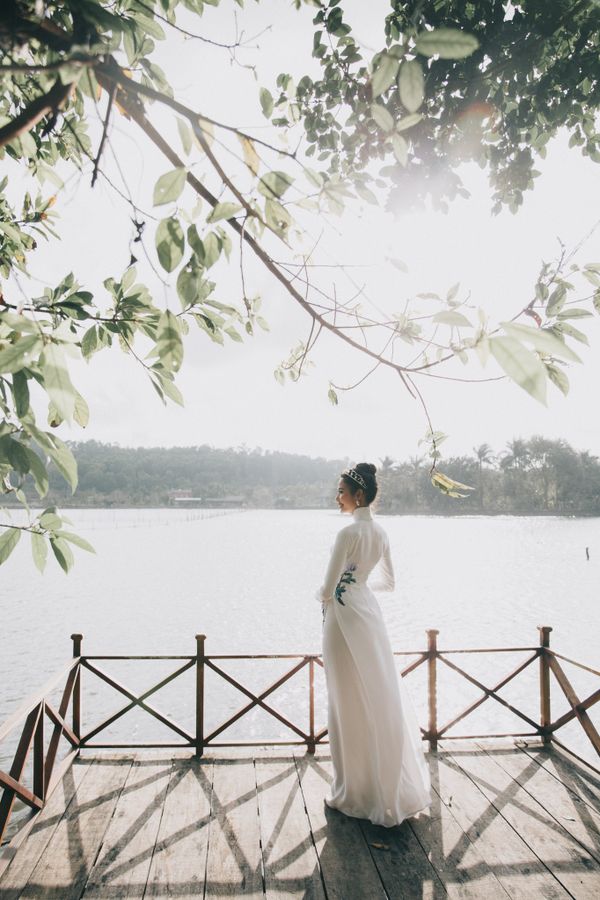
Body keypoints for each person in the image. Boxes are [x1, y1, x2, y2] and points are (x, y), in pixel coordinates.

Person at [316, 462, 432, 827]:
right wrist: (359, 586)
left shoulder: (346, 534)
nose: (337, 498)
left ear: (358, 494)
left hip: (342, 618)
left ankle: (352, 789)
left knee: (344, 698)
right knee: (376, 695)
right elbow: (389, 583)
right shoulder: (380, 533)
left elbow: (327, 588)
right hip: (368, 615)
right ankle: (378, 787)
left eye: (341, 492)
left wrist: (336, 591)